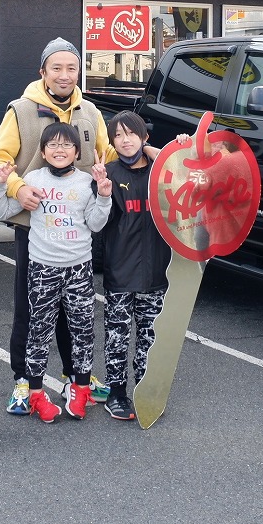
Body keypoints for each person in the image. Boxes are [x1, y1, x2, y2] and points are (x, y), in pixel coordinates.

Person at [0, 37, 114, 416]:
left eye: (71, 68)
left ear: (79, 73)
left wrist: (153, 153)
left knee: (75, 312)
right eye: (56, 68)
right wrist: (18, 187)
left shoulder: (89, 112)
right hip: (35, 227)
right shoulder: (21, 110)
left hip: (77, 229)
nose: (64, 75)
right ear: (42, 72)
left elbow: (107, 155)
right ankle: (23, 382)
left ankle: (81, 380)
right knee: (31, 308)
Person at [95, 111, 170, 421]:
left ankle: (146, 391)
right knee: (117, 335)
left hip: (157, 272)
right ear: (112, 142)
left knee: (151, 336)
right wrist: (100, 191)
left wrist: (166, 150)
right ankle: (116, 393)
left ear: (145, 138)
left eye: (131, 134)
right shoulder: (107, 175)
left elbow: (189, 166)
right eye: (118, 135)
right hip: (120, 271)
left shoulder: (162, 172)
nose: (125, 140)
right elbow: (98, 223)